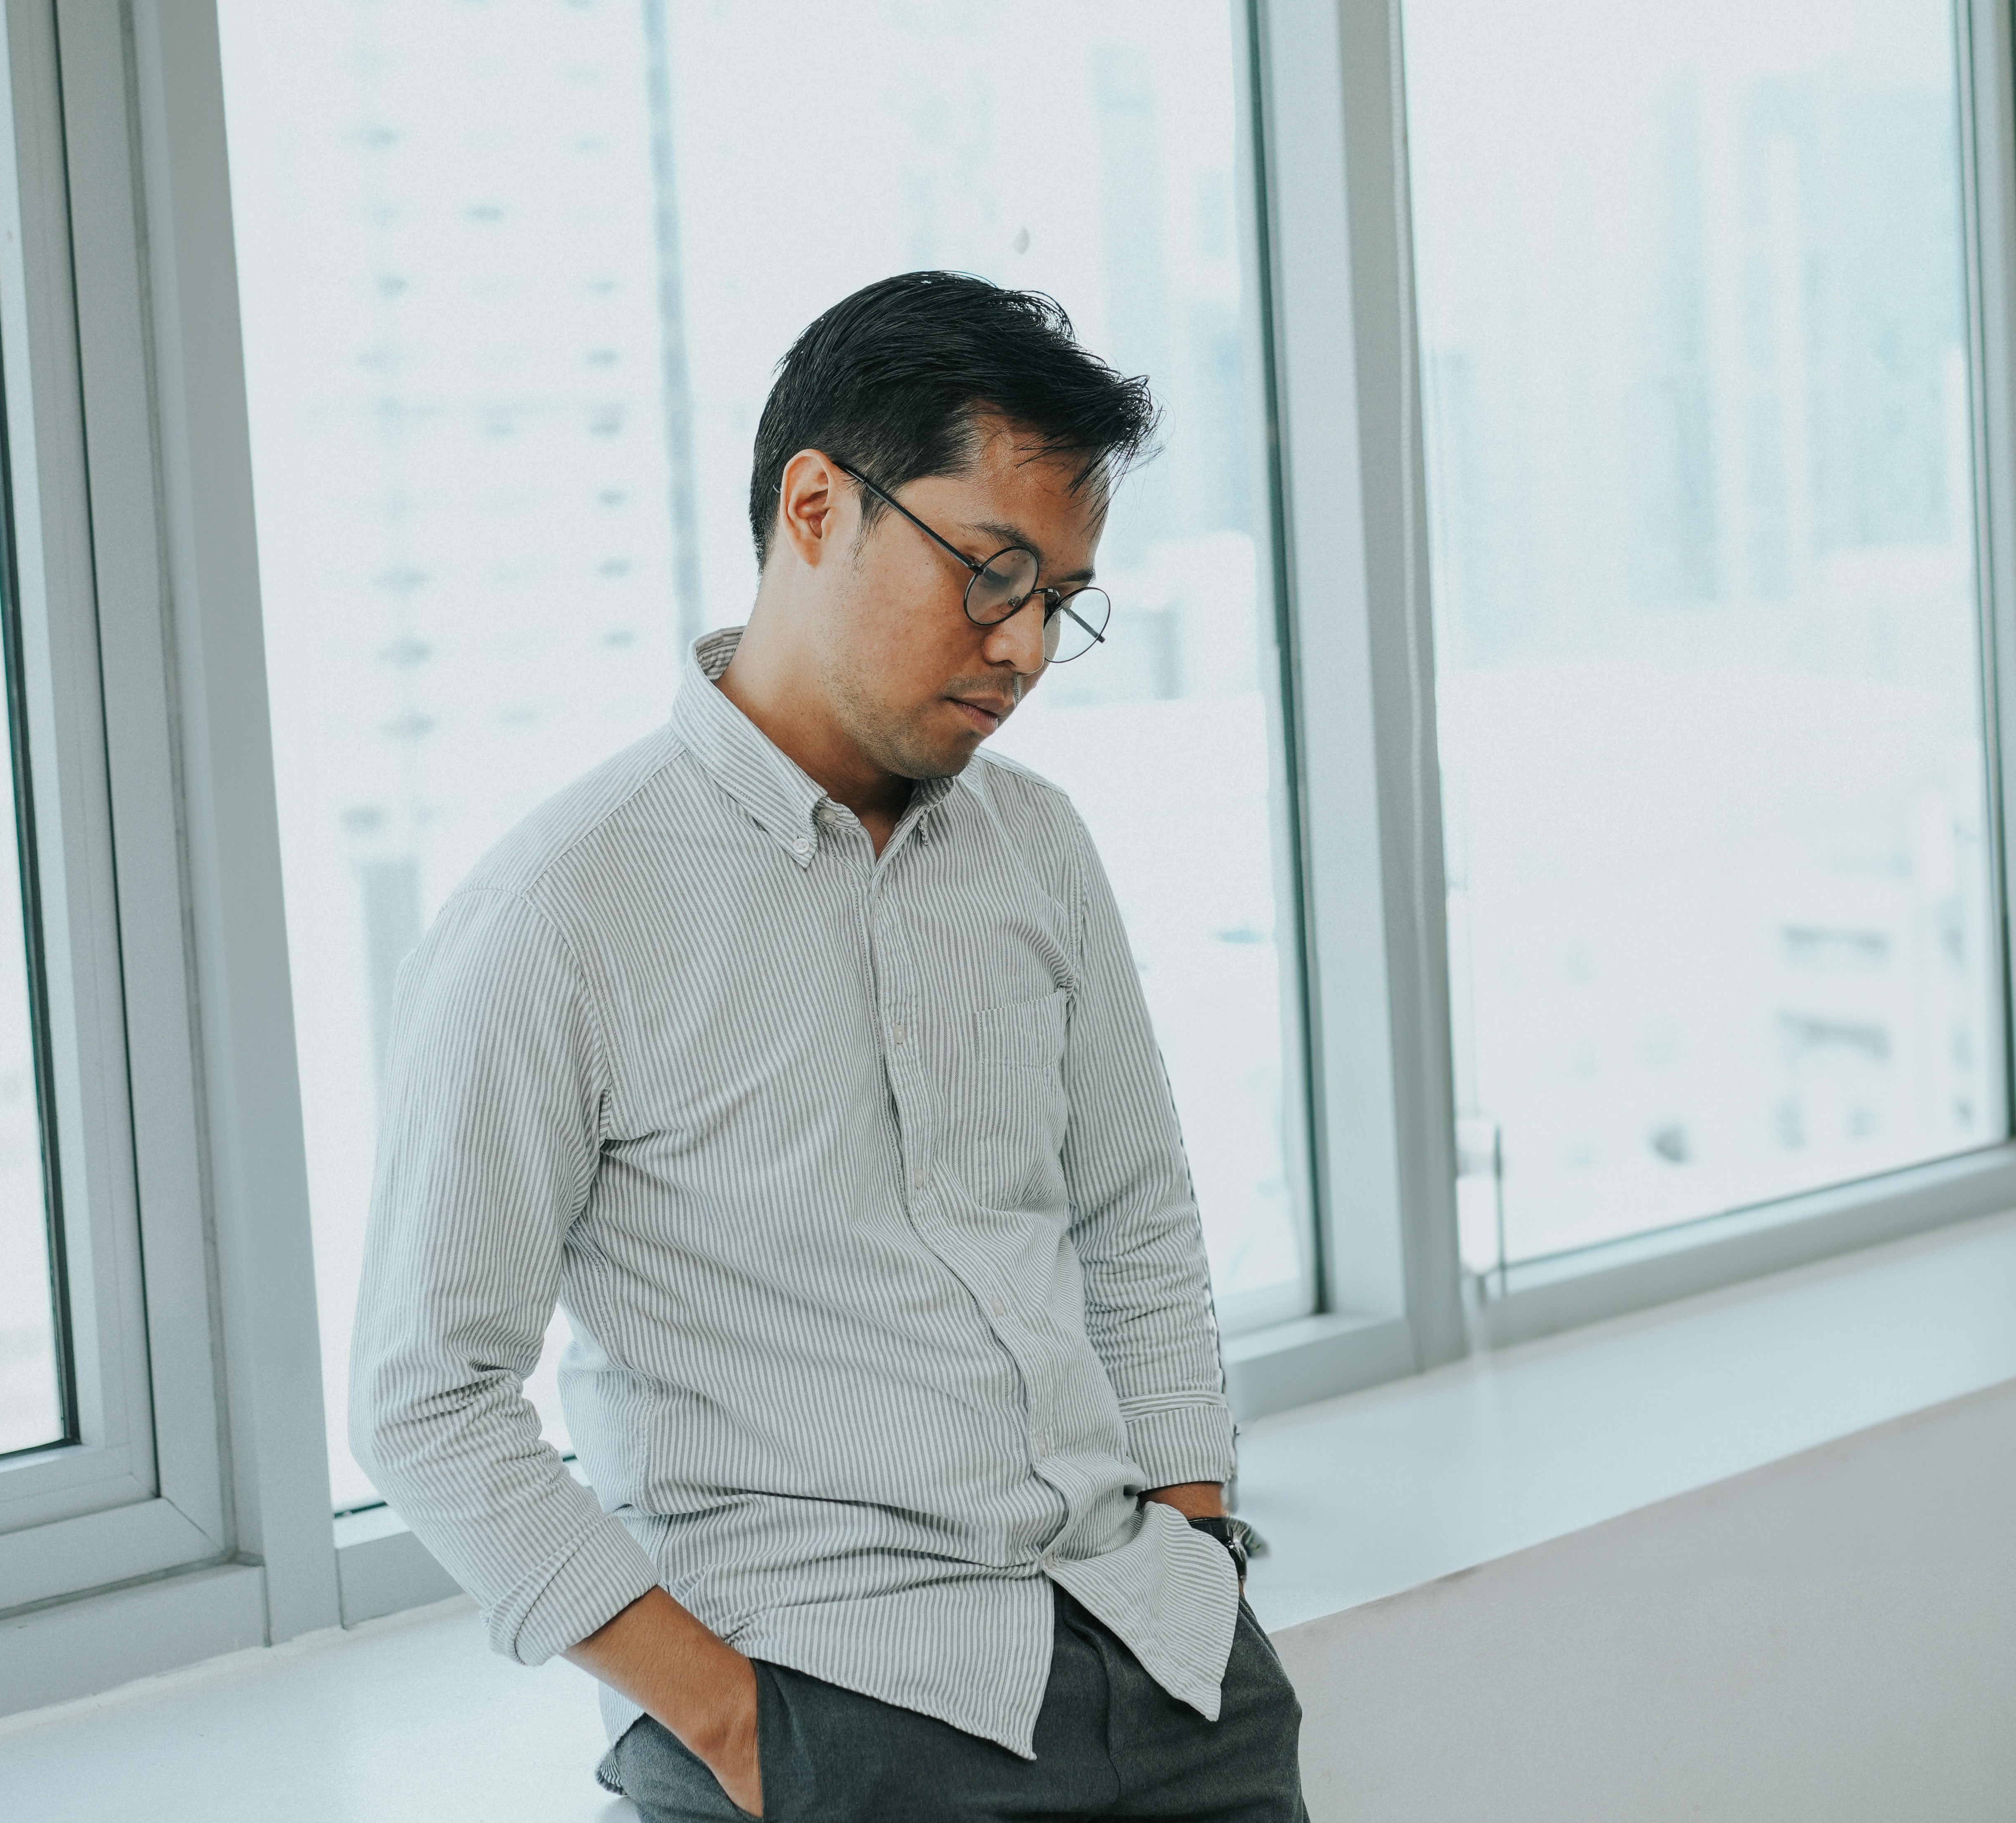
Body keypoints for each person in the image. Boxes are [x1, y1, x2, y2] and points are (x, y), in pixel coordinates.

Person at [348, 270, 1307, 1821]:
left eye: (1060, 599)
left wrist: (1194, 1540)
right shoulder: (559, 907)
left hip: (1170, 1676)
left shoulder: (1038, 843)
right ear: (814, 504)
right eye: (989, 573)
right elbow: (425, 1395)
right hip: (831, 1715)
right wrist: (737, 1731)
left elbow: (1133, 1217)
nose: (1021, 645)